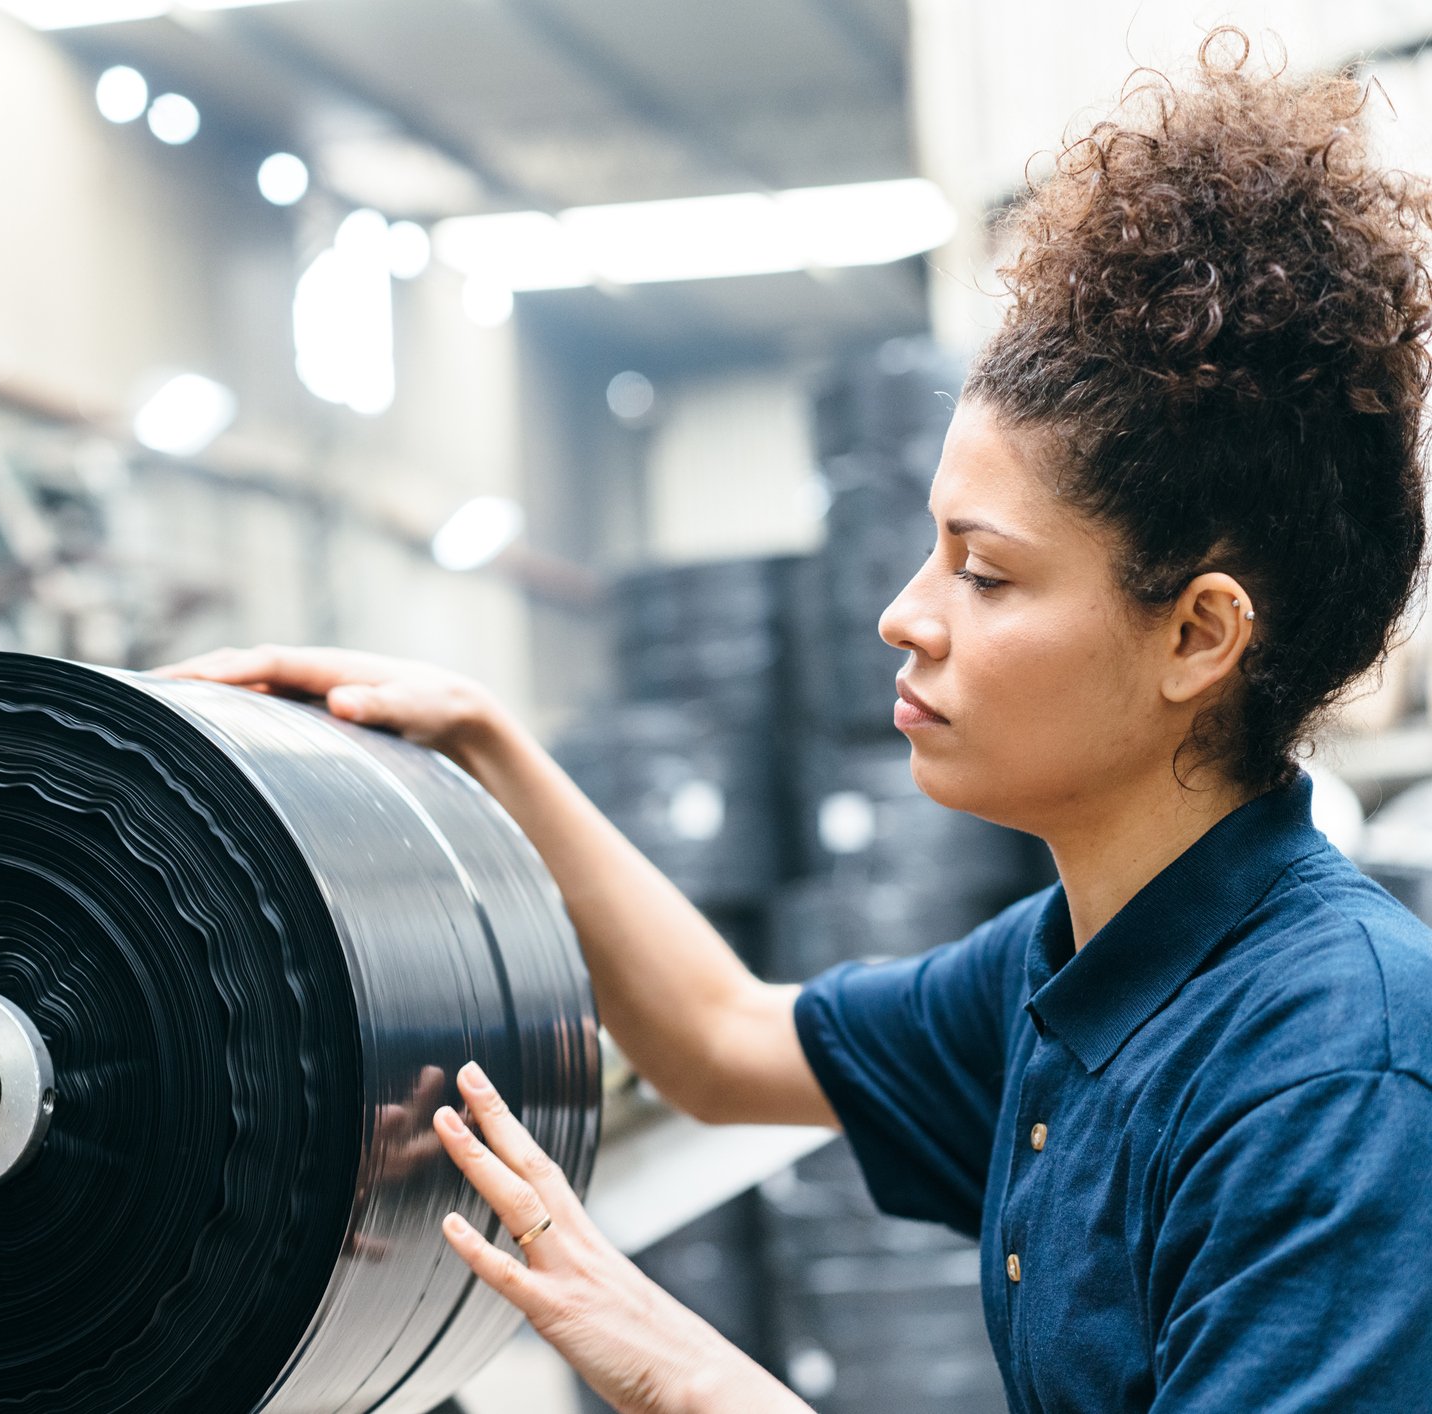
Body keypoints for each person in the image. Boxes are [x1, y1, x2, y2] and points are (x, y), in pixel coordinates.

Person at [163, 30, 1432, 1414]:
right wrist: (484, 746)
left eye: (986, 572)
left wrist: (689, 1373)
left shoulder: (1329, 1073)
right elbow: (723, 1040)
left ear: (1198, 634)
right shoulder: (1082, 973)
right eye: (929, 550)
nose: (904, 613)